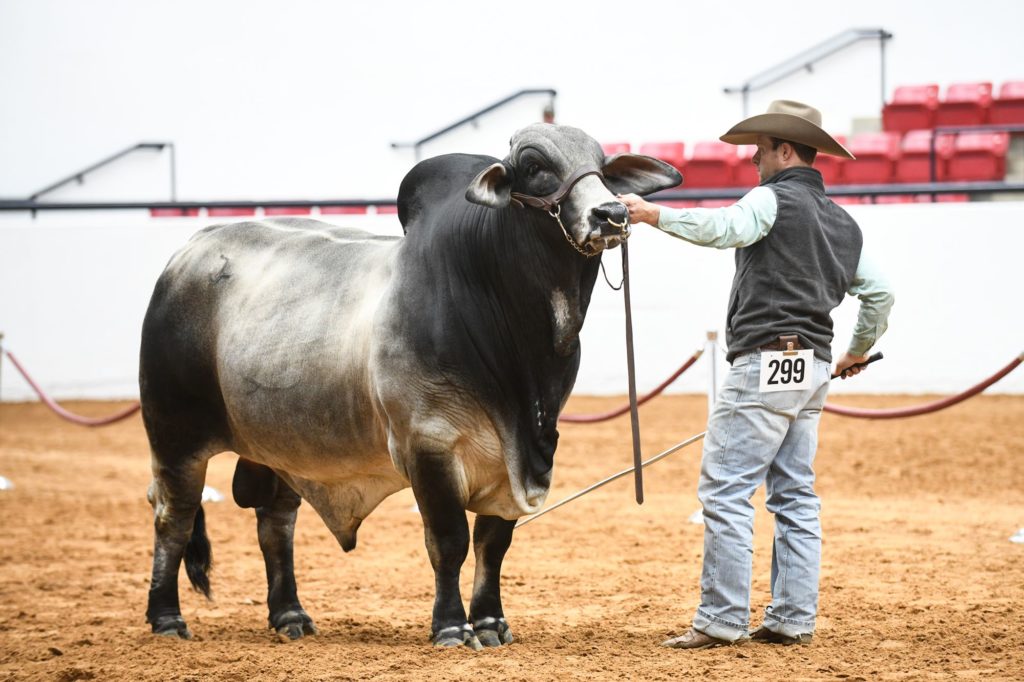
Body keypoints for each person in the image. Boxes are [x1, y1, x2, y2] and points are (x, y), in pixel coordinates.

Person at [618, 100, 894, 649]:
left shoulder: (769, 198)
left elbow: (726, 228)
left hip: (766, 359)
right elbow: (880, 295)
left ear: (785, 151)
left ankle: (721, 618)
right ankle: (792, 617)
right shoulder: (844, 223)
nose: (752, 161)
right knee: (794, 495)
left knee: (725, 490)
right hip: (813, 365)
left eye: (760, 150)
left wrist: (654, 215)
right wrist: (856, 352)